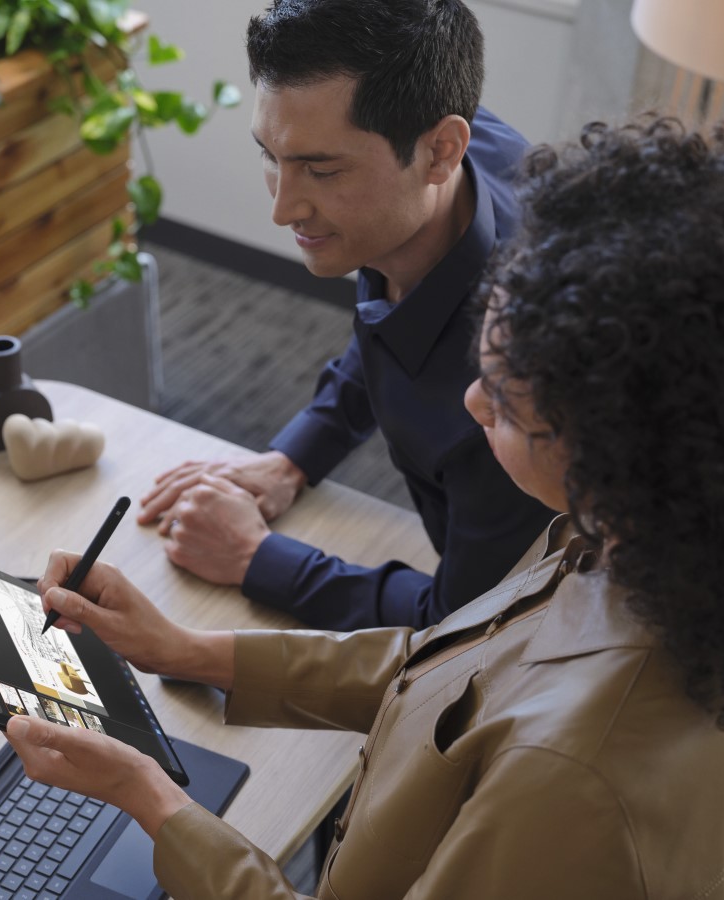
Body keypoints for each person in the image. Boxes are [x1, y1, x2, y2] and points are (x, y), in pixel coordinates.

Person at [6, 116, 724, 897]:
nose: (473, 402)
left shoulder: (566, 783)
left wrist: (150, 798)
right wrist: (187, 650)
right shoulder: (627, 545)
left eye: (513, 407)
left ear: (632, 450)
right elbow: (454, 670)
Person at [137, 0, 553, 631]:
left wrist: (256, 557)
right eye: (271, 157)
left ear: (442, 150)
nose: (283, 208)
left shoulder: (511, 394)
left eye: (322, 171)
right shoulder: (454, 150)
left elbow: (473, 622)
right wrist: (294, 459)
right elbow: (395, 316)